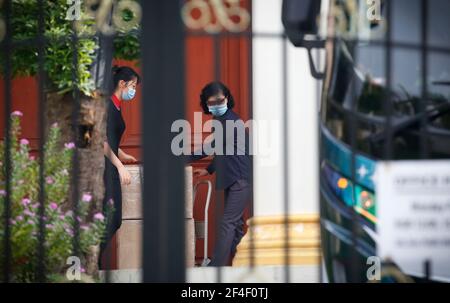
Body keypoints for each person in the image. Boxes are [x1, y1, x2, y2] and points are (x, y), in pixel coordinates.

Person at [189, 81, 252, 266]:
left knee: (228, 223)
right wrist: (208, 169)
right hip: (232, 177)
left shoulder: (231, 121)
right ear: (206, 103)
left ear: (227, 99)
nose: (216, 105)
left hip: (240, 178)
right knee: (237, 225)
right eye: (212, 102)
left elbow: (211, 148)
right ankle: (242, 263)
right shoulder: (220, 120)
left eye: (220, 100)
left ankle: (215, 267)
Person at [99, 65, 140, 269]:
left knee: (113, 219)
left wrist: (123, 154)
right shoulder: (107, 105)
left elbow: (112, 139)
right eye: (132, 85)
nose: (134, 90)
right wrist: (120, 165)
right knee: (112, 219)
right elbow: (101, 141)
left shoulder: (116, 105)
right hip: (106, 168)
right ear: (122, 83)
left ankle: (93, 261)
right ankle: (91, 258)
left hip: (112, 165)